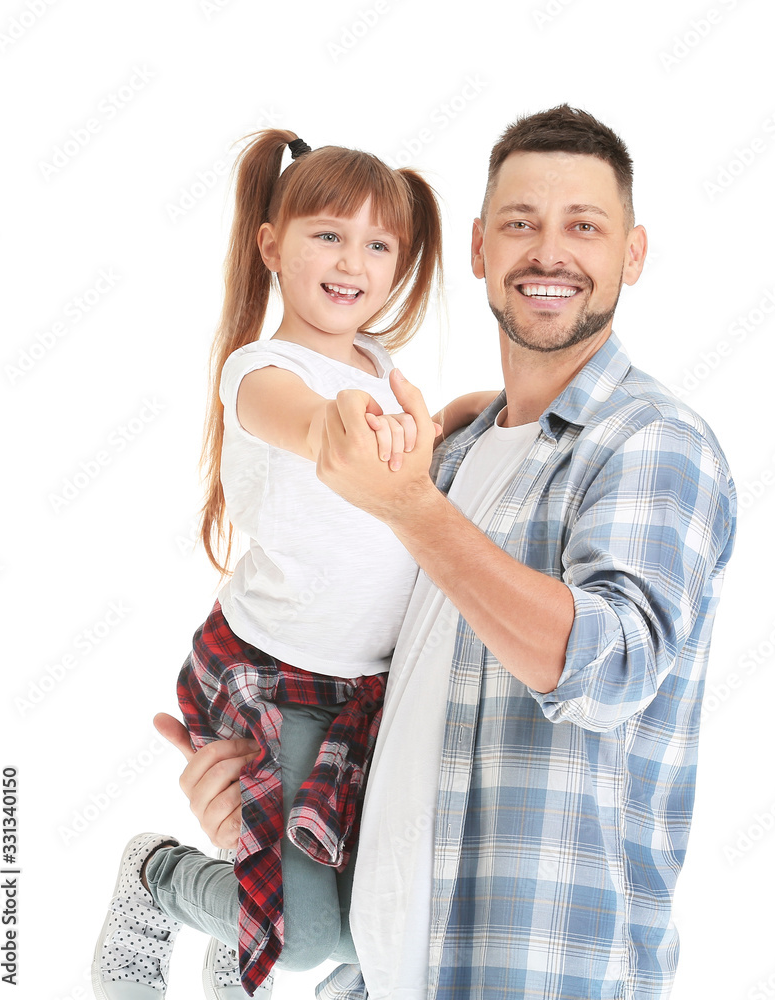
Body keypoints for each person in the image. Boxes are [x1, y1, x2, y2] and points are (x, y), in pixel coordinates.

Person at [169, 105, 737, 1000]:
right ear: (479, 249)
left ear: (632, 254)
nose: (549, 253)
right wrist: (254, 810)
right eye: (521, 224)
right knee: (304, 919)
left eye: (584, 226)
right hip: (381, 972)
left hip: (530, 973)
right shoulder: (458, 455)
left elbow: (604, 667)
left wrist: (412, 504)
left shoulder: (650, 443)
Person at [91, 128, 493, 1000]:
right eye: (328, 234)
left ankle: (238, 936)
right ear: (273, 244)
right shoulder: (260, 372)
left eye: (379, 244)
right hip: (278, 677)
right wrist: (336, 430)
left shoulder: (384, 368)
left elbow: (418, 442)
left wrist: (480, 415)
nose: (354, 260)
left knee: (379, 912)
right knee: (313, 934)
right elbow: (308, 424)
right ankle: (158, 879)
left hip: (370, 688)